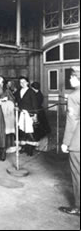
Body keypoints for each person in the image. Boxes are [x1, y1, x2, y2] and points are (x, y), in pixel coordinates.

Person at [59, 66, 80, 216]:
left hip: (77, 142)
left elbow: (72, 121)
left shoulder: (74, 96)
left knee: (77, 174)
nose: (69, 79)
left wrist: (66, 142)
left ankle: (78, 207)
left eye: (72, 77)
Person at [0, 77, 16, 161]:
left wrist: (4, 102)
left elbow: (12, 100)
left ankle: (3, 153)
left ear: (3, 82)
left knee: (2, 132)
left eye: (0, 80)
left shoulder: (7, 91)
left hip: (4, 114)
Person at [15, 76, 38, 156]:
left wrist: (35, 115)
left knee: (29, 131)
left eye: (24, 82)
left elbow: (35, 104)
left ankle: (30, 149)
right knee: (22, 131)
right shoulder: (19, 91)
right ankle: (24, 147)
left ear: (27, 83)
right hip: (21, 113)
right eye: (21, 82)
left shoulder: (31, 92)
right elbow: (17, 101)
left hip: (29, 113)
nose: (22, 84)